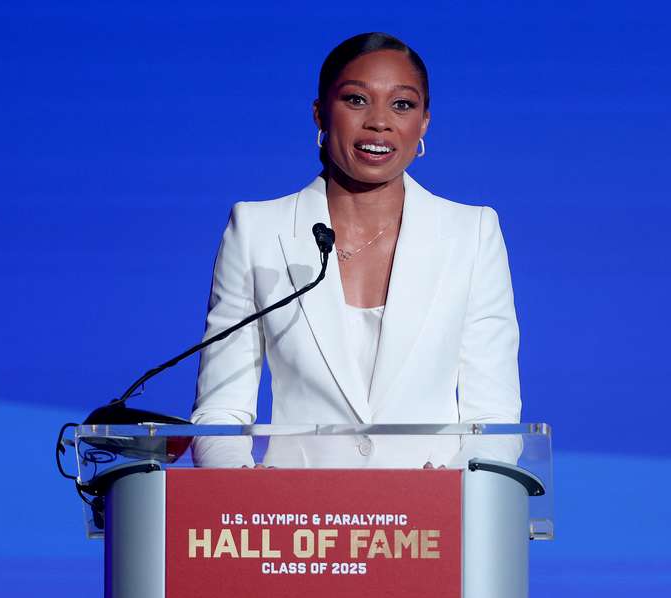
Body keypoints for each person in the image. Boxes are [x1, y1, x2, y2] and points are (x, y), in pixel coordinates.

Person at [191, 32, 521, 468]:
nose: (380, 122)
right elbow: (220, 414)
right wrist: (252, 500)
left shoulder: (472, 234)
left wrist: (459, 492)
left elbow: (494, 419)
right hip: (294, 524)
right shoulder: (256, 230)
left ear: (423, 123)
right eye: (356, 100)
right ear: (320, 114)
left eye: (402, 104)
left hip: (434, 523)